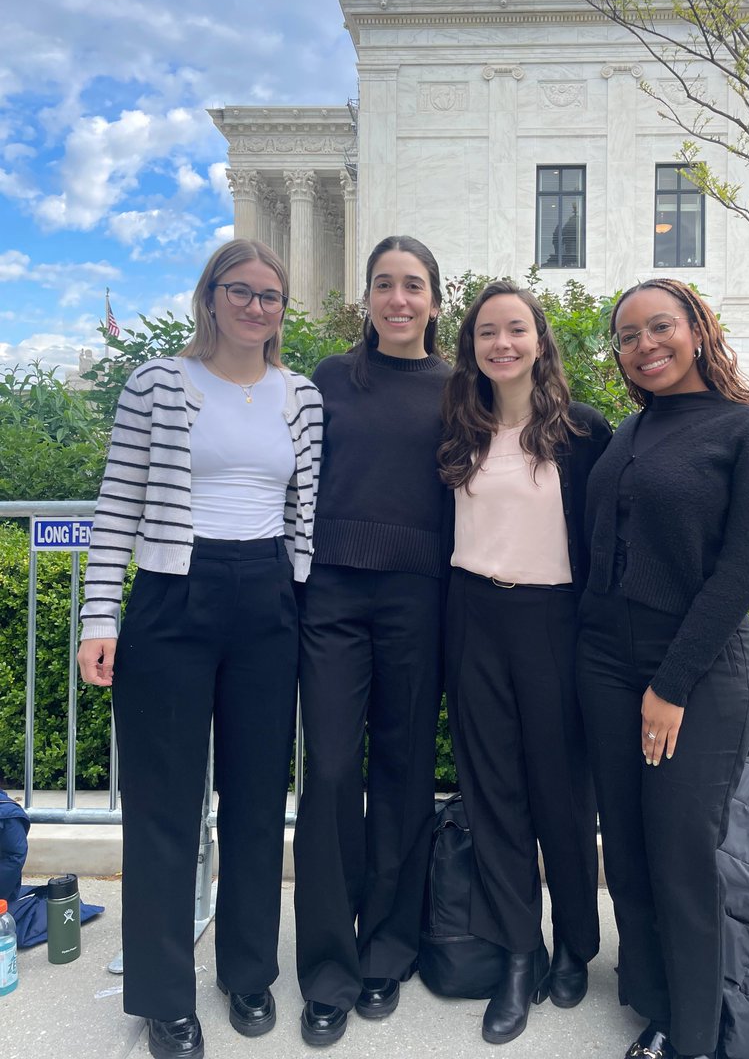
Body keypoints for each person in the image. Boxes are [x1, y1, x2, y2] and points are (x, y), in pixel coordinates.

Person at [77, 239, 323, 1059]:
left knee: (257, 802)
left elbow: (306, 513)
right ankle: (162, 995)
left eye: (271, 297)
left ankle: (246, 972)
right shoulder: (157, 381)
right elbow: (116, 504)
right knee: (164, 807)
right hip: (173, 596)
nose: (257, 307)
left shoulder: (302, 396)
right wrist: (98, 618)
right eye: (241, 291)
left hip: (267, 596)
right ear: (210, 296)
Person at [576, 277, 749, 1059]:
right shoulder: (627, 433)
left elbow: (744, 573)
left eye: (659, 327)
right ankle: (651, 994)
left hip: (695, 670)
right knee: (627, 846)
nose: (644, 345)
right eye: (628, 335)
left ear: (697, 330)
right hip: (603, 661)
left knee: (678, 848)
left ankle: (693, 1033)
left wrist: (668, 686)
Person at [438, 280, 612, 1045]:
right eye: (486, 332)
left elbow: (611, 543)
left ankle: (576, 942)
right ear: (470, 347)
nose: (501, 343)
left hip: (555, 622)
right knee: (493, 795)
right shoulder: (458, 430)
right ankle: (518, 950)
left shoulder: (583, 432)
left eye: (516, 329)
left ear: (541, 340)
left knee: (562, 796)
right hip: (473, 615)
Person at [293, 236, 450, 1047]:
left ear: (433, 299)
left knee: (403, 771)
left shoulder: (461, 388)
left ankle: (387, 948)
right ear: (367, 297)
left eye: (413, 285)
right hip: (332, 596)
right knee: (325, 771)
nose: (398, 298)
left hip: (419, 601)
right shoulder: (328, 378)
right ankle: (326, 968)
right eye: (384, 284)